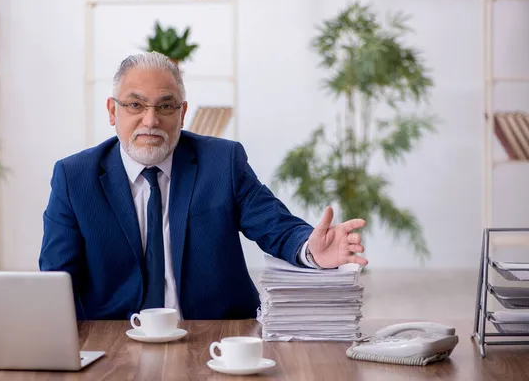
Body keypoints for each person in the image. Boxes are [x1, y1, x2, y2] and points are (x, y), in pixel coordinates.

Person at [39, 51, 368, 321]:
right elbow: (56, 284)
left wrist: (311, 250)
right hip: (115, 339)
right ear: (113, 111)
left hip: (218, 337)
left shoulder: (221, 162)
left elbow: (276, 227)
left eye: (165, 106)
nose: (151, 120)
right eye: (135, 105)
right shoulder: (74, 177)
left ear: (182, 113)